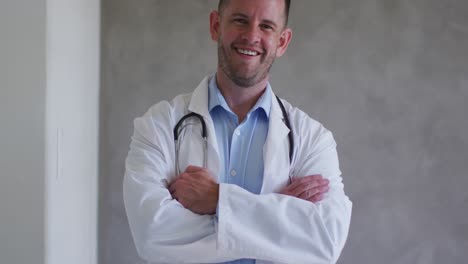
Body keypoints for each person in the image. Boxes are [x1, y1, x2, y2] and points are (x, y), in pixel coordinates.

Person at [123, 0, 352, 263]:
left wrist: (217, 199)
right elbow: (152, 235)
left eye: (266, 26)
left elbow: (325, 242)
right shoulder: (158, 126)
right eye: (240, 20)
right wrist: (274, 211)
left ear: (282, 42)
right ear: (215, 25)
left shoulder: (313, 139)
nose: (252, 36)